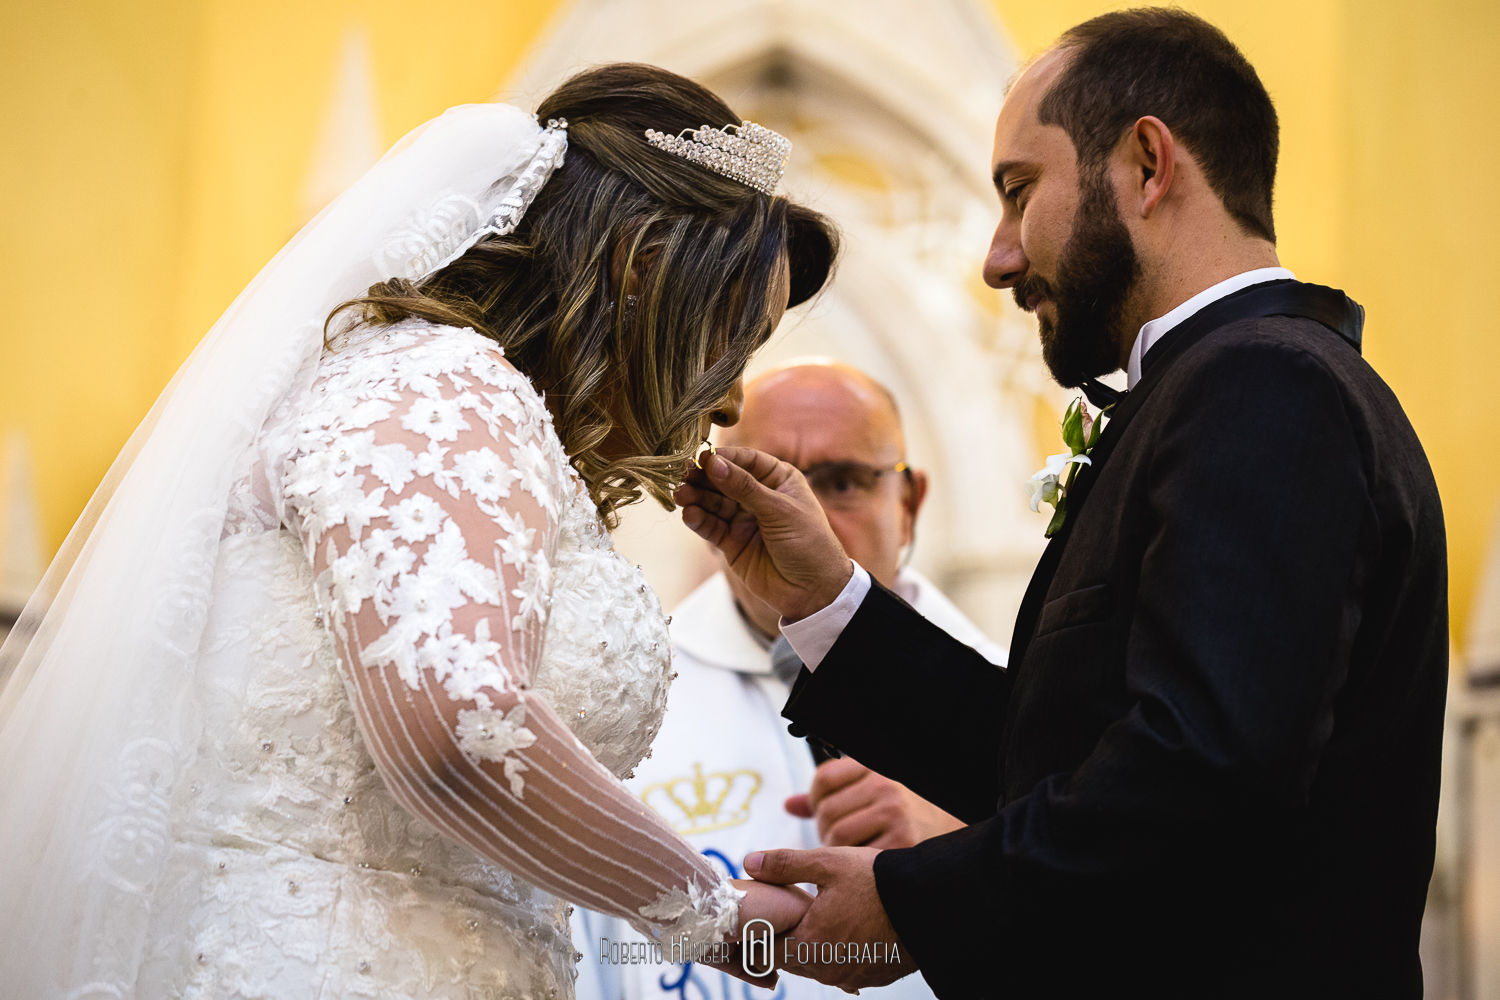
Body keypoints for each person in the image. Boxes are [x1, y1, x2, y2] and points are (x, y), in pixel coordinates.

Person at [0, 64, 839, 997]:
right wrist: (721, 920)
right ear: (640, 265)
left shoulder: (477, 409)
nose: (728, 399)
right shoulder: (438, 389)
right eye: (735, 339)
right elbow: (458, 728)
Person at [677, 10, 1447, 999]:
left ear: (1147, 164)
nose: (999, 256)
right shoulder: (1219, 389)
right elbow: (1055, 758)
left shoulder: (1266, 389)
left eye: (1018, 191)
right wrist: (827, 597)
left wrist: (914, 904)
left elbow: (1201, 778)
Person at [573, 360, 1004, 1000]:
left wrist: (974, 845)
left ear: (909, 504)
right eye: (761, 485)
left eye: (841, 482)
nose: (806, 520)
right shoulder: (622, 705)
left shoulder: (1019, 694)